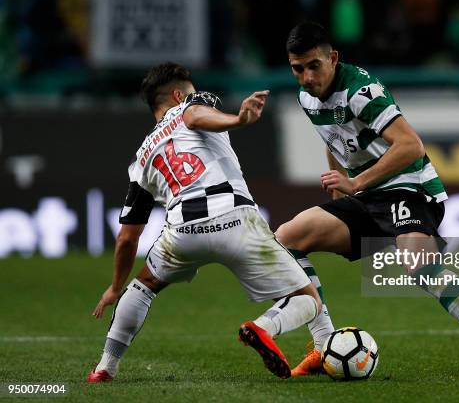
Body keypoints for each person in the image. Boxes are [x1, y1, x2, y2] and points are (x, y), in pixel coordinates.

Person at [277, 22, 459, 377]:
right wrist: (340, 184)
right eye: (297, 68)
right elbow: (334, 137)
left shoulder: (361, 91)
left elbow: (411, 145)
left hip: (409, 185)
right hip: (366, 194)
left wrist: (356, 183)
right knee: (286, 238)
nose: (306, 77)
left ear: (333, 58)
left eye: (313, 66)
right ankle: (323, 346)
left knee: (417, 262)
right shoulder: (307, 98)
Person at [86, 62, 322, 382]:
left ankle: (105, 367)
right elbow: (195, 115)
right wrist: (238, 119)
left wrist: (115, 286)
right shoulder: (192, 103)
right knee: (308, 300)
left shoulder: (142, 157)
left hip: (182, 232)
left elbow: (127, 238)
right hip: (235, 218)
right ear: (177, 94)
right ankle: (263, 328)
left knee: (142, 287)